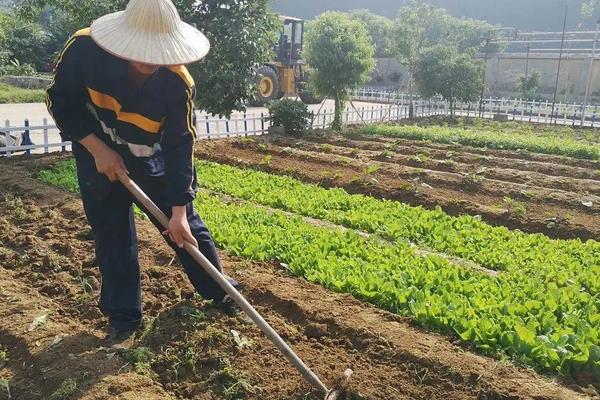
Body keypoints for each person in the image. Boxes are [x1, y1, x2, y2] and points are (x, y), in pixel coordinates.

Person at [46, 0, 239, 343]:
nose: (151, 59)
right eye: (142, 50)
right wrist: (98, 149)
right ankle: (124, 317)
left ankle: (221, 289)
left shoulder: (177, 82)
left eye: (159, 51)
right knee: (113, 235)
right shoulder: (85, 50)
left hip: (148, 156)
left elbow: (181, 145)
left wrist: (178, 211)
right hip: (95, 153)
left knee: (185, 227)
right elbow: (60, 101)